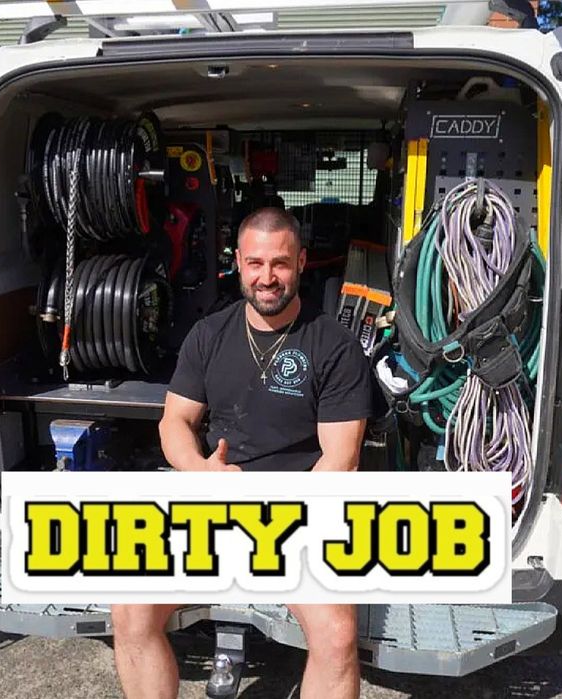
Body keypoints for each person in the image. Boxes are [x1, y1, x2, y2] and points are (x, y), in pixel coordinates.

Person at [112, 207, 376, 699]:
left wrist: (281, 521)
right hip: (214, 500)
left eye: (280, 263)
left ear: (301, 262)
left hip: (298, 515)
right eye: (255, 263)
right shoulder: (209, 334)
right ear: (238, 262)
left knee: (338, 636)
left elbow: (341, 459)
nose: (266, 277)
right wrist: (198, 470)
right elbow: (174, 422)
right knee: (129, 610)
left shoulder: (335, 346)